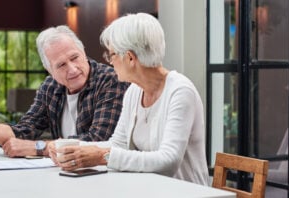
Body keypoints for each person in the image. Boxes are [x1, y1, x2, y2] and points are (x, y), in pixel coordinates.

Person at [52, 13, 209, 185]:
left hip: (187, 192)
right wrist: (74, 148)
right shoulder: (134, 92)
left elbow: (168, 161)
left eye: (111, 55)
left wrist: (103, 157)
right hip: (151, 190)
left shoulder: (180, 91)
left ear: (130, 57)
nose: (110, 62)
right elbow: (118, 144)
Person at [0, 25, 129, 158]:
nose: (72, 69)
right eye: (61, 65)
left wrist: (40, 148)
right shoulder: (50, 86)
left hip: (101, 176)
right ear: (49, 70)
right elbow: (24, 131)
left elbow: (97, 141)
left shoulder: (111, 80)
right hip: (65, 174)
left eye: (74, 57)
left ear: (83, 52)